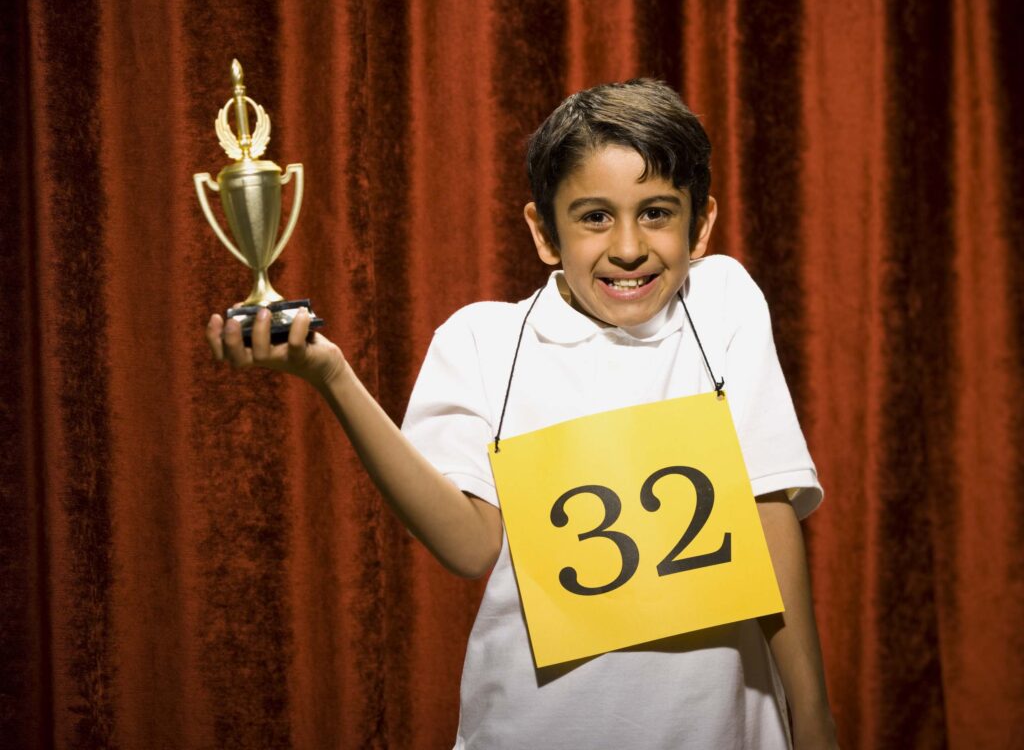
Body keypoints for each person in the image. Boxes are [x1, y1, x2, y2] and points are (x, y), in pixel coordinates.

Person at [207, 78, 838, 749]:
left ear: (700, 224)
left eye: (656, 212)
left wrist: (815, 723)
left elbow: (768, 515)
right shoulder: (481, 340)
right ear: (543, 230)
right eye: (594, 217)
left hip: (721, 731)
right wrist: (332, 375)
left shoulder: (723, 302)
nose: (628, 246)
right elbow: (469, 544)